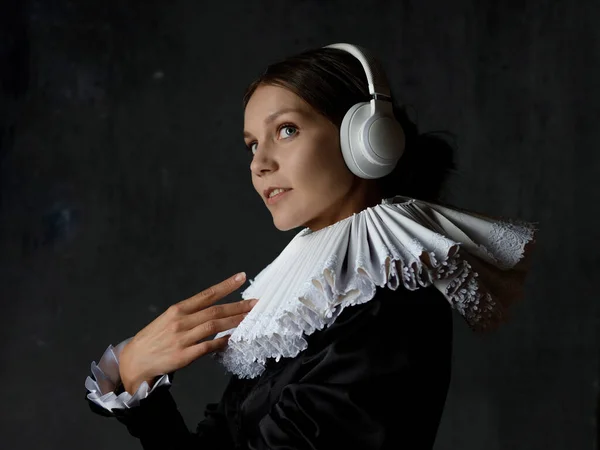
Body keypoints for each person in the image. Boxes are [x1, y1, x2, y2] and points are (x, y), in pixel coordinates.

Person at [85, 43, 538, 449]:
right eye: (251, 145)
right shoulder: (311, 296)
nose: (259, 164)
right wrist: (139, 383)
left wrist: (141, 392)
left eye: (285, 130)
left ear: (365, 138)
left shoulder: (386, 305)